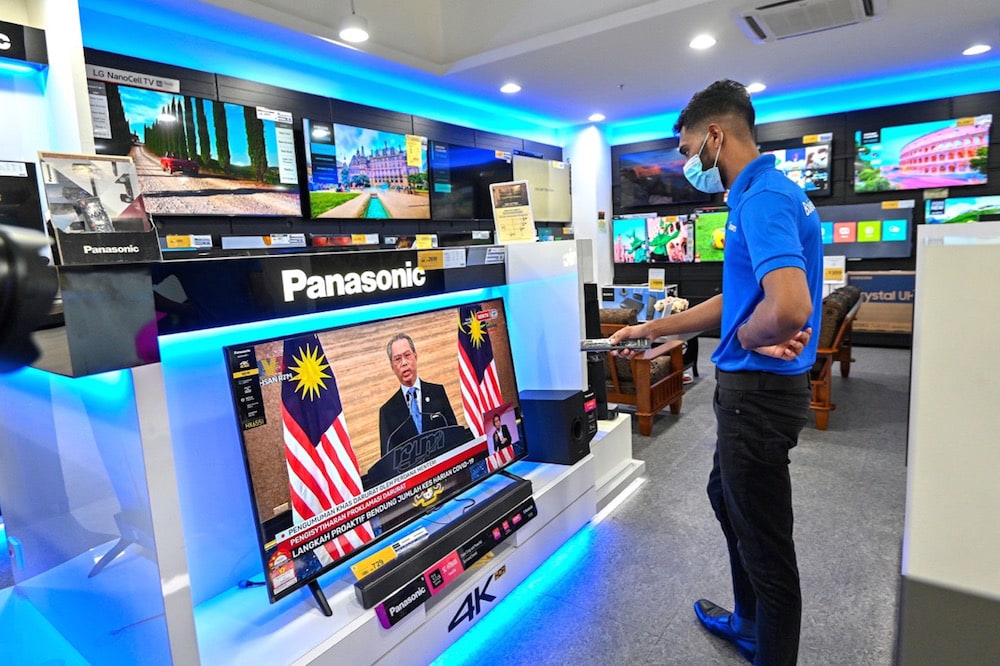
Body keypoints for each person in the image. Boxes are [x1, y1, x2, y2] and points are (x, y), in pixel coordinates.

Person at [609, 79, 822, 666]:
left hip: (758, 397)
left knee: (767, 544)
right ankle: (750, 621)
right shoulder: (765, 192)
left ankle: (766, 640)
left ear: (714, 136)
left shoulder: (761, 199)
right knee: (724, 498)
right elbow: (738, 302)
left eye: (685, 150)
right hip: (750, 394)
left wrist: (756, 333)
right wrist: (650, 329)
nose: (684, 163)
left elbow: (789, 308)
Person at [378, 333, 458, 457]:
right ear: (392, 367)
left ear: (415, 356)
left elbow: (454, 434)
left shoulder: (437, 392)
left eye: (407, 355)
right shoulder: (387, 412)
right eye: (398, 359)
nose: (404, 363)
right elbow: (388, 459)